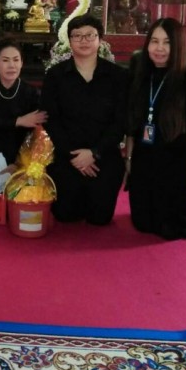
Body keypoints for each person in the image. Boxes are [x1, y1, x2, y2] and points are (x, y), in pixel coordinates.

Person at [125, 18, 186, 240]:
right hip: (145, 158)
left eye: (167, 42)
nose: (159, 48)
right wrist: (129, 160)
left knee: (173, 228)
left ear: (178, 46)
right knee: (143, 224)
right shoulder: (140, 74)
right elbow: (132, 125)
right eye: (154, 41)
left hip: (178, 160)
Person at [41, 15, 128, 225]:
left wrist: (94, 153)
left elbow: (121, 121)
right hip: (67, 157)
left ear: (100, 40)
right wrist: (74, 156)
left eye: (90, 35)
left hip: (104, 157)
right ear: (69, 41)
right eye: (77, 36)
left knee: (100, 219)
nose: (84, 40)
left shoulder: (118, 76)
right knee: (65, 216)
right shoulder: (55, 75)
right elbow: (50, 119)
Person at [0, 38, 47, 192]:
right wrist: (18, 121)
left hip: (21, 155)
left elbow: (36, 132)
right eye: (5, 60)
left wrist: (20, 163)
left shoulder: (31, 93)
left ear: (22, 63)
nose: (11, 65)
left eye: (16, 60)